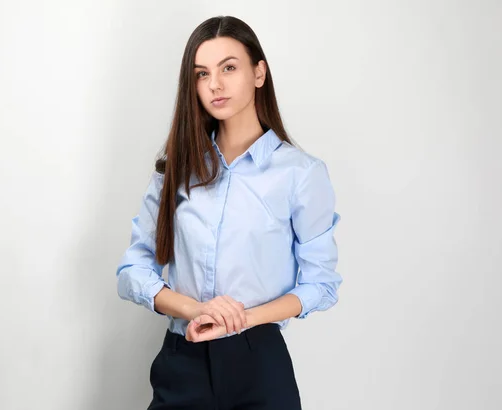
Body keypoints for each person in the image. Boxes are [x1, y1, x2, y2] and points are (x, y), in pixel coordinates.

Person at [115, 15, 343, 410]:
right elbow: (133, 270)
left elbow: (320, 285)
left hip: (259, 362)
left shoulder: (301, 174)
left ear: (259, 73)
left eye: (229, 68)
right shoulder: (177, 168)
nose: (215, 84)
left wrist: (242, 318)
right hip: (181, 358)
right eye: (202, 74)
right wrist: (196, 309)